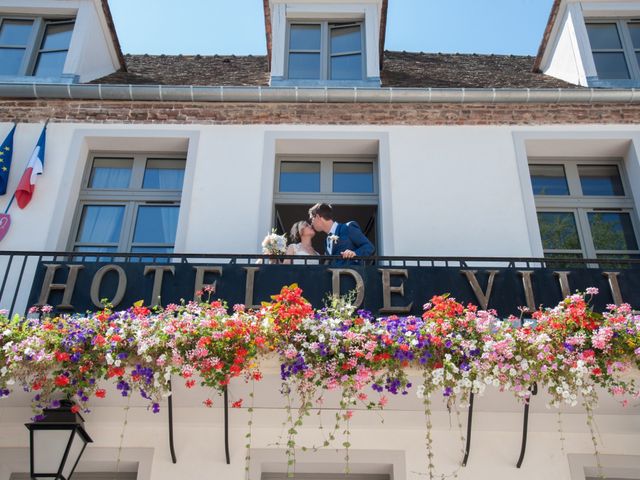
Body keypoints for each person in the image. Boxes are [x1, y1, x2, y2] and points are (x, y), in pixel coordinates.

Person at [308, 203, 375, 265]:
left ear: (317, 217)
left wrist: (355, 253)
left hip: (351, 276)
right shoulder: (326, 241)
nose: (311, 223)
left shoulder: (348, 227)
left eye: (311, 219)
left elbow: (369, 247)